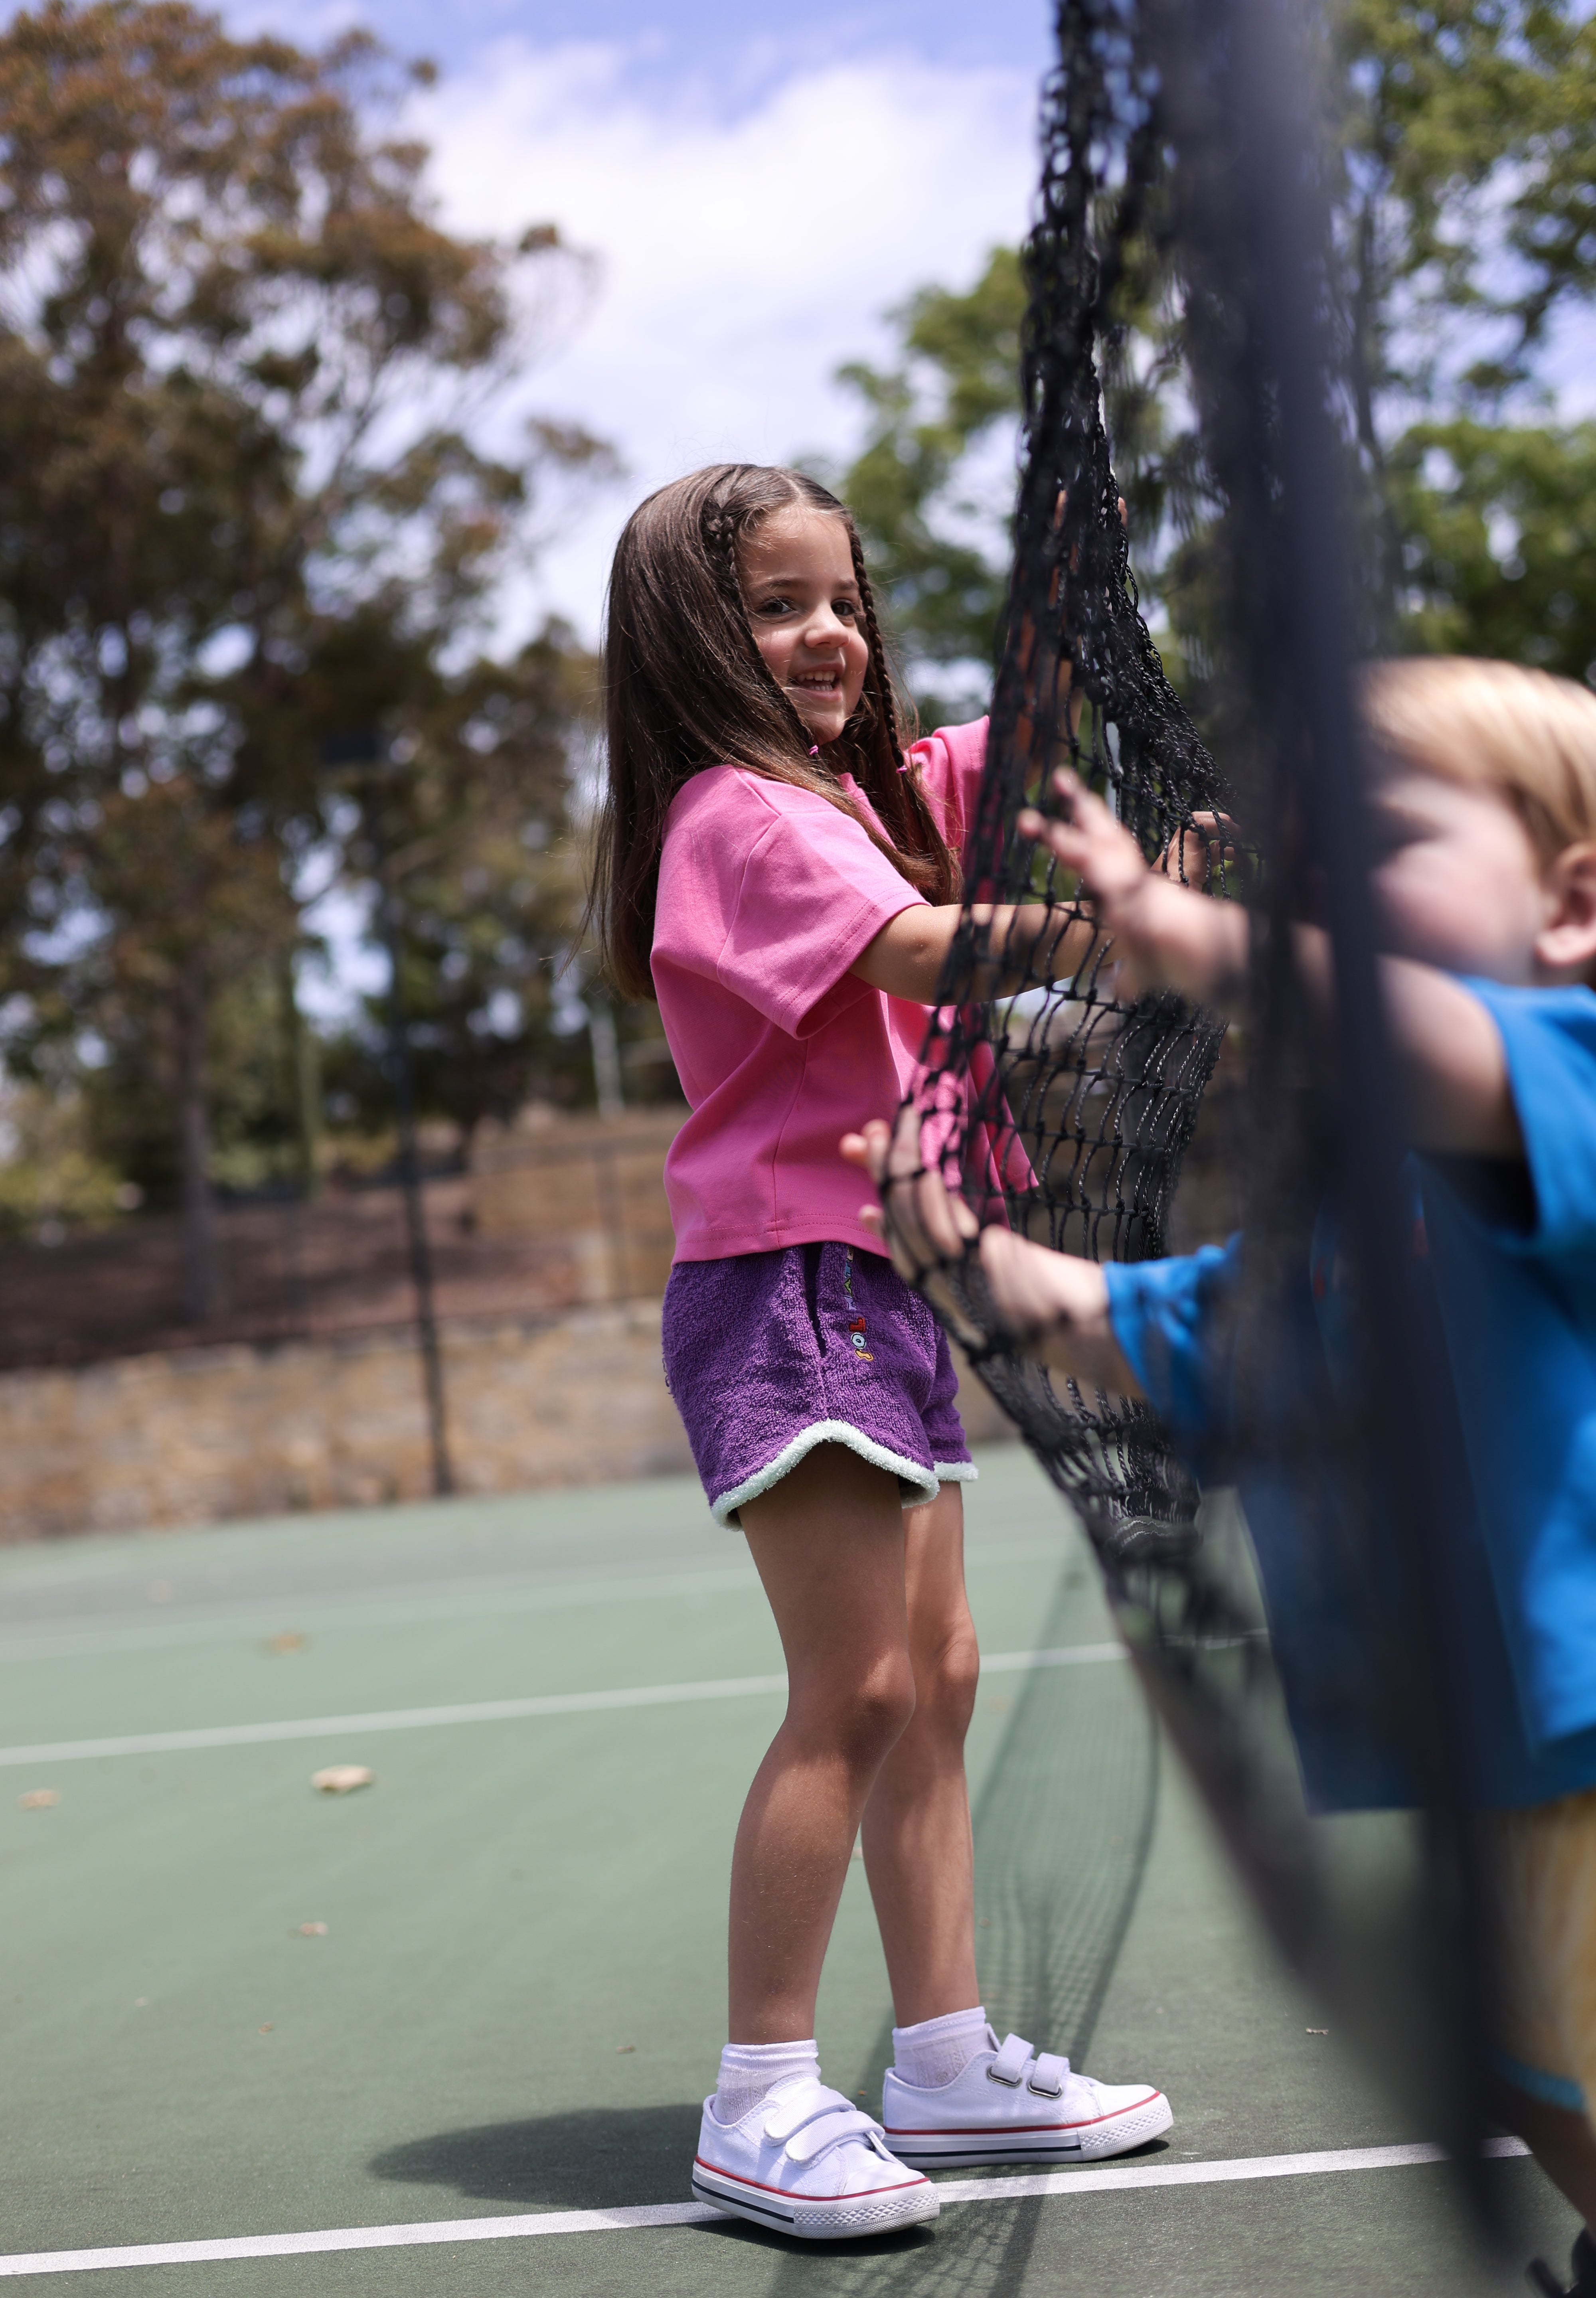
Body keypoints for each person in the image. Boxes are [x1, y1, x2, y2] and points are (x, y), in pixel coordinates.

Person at [849, 657, 1596, 2290]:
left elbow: (1405, 1033)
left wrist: (1197, 938)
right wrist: (958, 1248)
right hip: (1492, 1768)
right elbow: (1142, 1325)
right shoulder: (1342, 1225)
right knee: (1535, 2085)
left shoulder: (1569, 1068)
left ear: (1570, 903)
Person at [585, 462, 1173, 2242]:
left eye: (840, 598)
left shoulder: (859, 792)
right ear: (694, 639)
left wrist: (1074, 589)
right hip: (790, 1283)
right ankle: (758, 2098)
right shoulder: (736, 822)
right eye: (774, 607)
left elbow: (1014, 737)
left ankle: (941, 2056)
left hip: (887, 1274)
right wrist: (1111, 932)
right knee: (851, 1695)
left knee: (939, 1679)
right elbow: (919, 950)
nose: (826, 632)